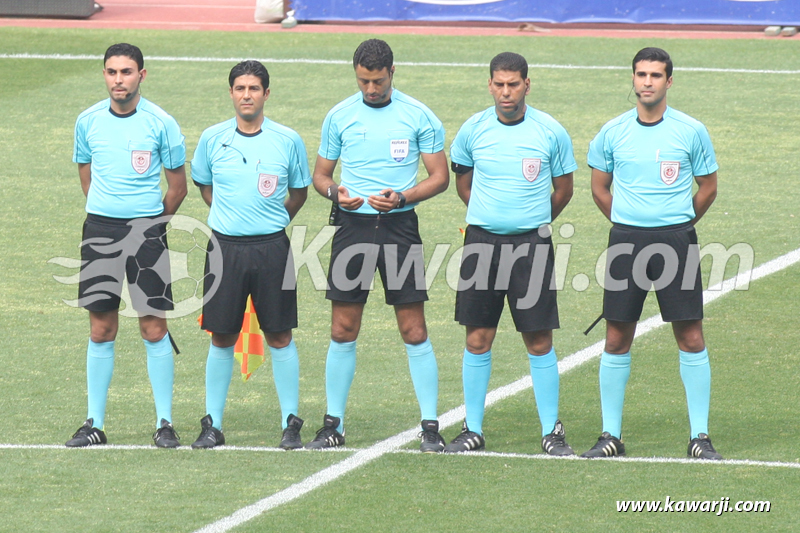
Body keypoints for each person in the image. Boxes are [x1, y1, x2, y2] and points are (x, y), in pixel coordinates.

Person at [308, 39, 449, 452]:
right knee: (343, 328)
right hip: (351, 228)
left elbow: (438, 176)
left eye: (378, 81)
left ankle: (430, 427)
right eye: (364, 81)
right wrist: (337, 194)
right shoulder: (339, 116)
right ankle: (333, 424)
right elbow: (321, 175)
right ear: (356, 73)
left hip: (399, 227)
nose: (371, 89)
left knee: (414, 328)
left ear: (392, 73)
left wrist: (403, 197)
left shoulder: (418, 115)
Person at [582, 47, 721, 460]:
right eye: (640, 74)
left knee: (690, 335)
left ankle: (700, 437)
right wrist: (628, 221)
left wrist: (677, 222)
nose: (646, 82)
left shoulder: (691, 130)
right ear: (633, 78)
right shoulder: (612, 132)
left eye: (655, 75)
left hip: (677, 241)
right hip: (626, 241)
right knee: (616, 335)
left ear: (669, 82)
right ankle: (611, 436)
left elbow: (709, 187)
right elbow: (598, 188)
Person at [445, 52, 577, 454]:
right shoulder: (473, 129)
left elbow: (564, 189)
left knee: (538, 339)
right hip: (481, 244)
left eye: (513, 84)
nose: (506, 92)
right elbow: (463, 183)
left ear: (527, 85)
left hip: (531, 246)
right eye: (499, 84)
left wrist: (531, 219)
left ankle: (552, 432)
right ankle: (473, 429)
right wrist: (489, 217)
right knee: (478, 337)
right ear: (490, 85)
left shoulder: (550, 131)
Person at [67, 43, 187, 448]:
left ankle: (164, 423)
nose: (119, 79)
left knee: (153, 326)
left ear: (142, 75)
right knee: (101, 327)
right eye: (112, 72)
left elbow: (177, 188)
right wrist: (106, 211)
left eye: (127, 72)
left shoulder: (162, 123)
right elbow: (87, 176)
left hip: (147, 233)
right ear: (104, 75)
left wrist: (149, 225)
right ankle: (94, 423)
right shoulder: (87, 121)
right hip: (100, 230)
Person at [190, 60, 311, 449]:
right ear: (231, 93)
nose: (246, 95)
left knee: (279, 334)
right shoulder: (212, 138)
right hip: (224, 249)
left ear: (266, 94)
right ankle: (213, 424)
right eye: (240, 88)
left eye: (254, 88)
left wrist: (271, 220)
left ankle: (290, 423)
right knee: (221, 336)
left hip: (273, 247)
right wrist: (232, 219)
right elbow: (204, 186)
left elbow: (299, 192)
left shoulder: (287, 139)